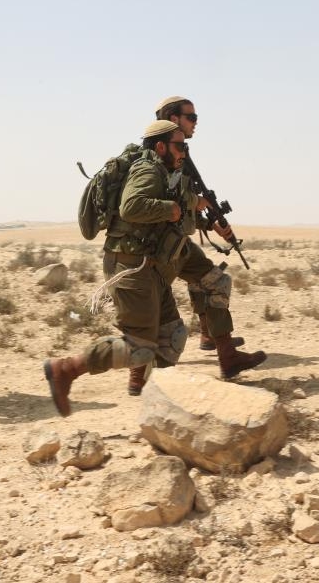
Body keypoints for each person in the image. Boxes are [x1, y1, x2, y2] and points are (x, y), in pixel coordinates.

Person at [44, 120, 198, 417]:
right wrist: (169, 209)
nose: (184, 152)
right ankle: (66, 369)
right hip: (129, 267)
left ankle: (163, 408)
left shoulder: (165, 172)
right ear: (161, 146)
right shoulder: (147, 169)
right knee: (139, 347)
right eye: (180, 146)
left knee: (172, 336)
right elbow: (131, 207)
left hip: (148, 267)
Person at [123, 95, 266, 395]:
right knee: (156, 318)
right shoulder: (153, 159)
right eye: (191, 117)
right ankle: (132, 375)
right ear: (173, 119)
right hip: (149, 247)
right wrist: (194, 205)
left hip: (172, 240)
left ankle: (223, 351)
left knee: (213, 281)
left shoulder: (176, 154)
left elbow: (181, 203)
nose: (195, 123)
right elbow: (148, 204)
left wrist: (207, 222)